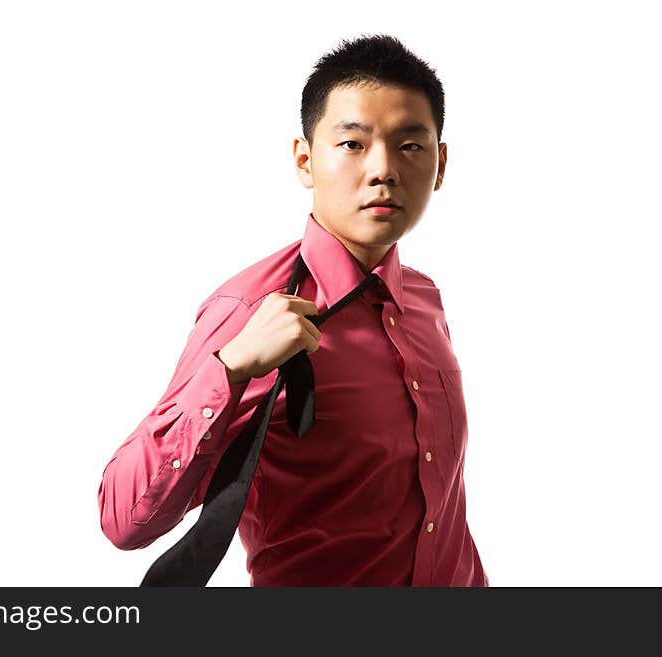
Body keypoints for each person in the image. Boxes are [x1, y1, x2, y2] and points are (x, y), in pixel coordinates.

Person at [97, 33, 488, 587]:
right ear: (306, 160)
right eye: (353, 144)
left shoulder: (423, 299)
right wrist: (230, 367)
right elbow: (122, 518)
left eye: (410, 146)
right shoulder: (249, 309)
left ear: (440, 164)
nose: (383, 170)